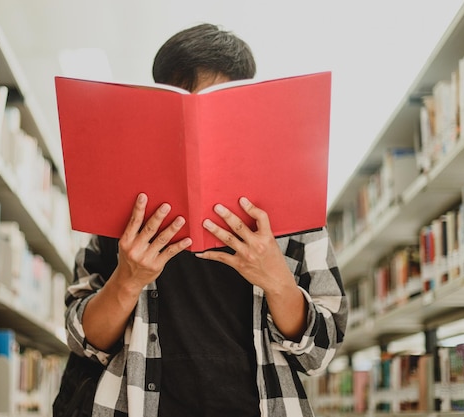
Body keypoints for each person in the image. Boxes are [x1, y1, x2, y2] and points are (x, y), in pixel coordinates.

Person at [64, 23, 347, 417]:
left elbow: (321, 352)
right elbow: (84, 341)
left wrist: (276, 278)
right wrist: (128, 279)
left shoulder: (292, 210)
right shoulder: (119, 208)